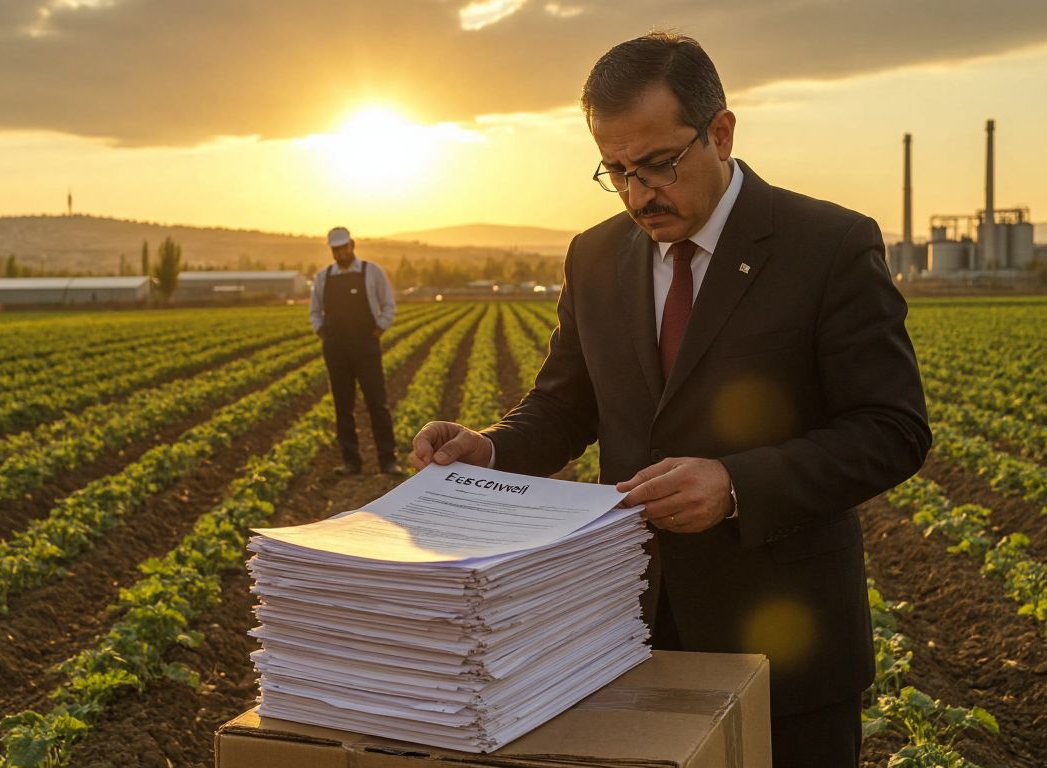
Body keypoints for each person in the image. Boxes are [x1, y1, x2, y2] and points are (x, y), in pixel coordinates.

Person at [410, 32, 929, 767]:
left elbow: (893, 428)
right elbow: (565, 404)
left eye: (658, 165)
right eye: (615, 171)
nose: (637, 195)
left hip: (786, 642)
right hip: (626, 628)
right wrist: (488, 448)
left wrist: (738, 484)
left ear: (720, 133)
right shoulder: (594, 256)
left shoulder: (828, 245)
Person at [310, 226, 400, 475]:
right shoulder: (323, 277)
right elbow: (315, 311)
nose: (340, 253)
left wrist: (379, 329)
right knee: (343, 405)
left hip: (365, 346)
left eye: (343, 248)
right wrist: (322, 333)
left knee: (377, 403)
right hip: (336, 348)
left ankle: (388, 460)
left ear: (353, 245)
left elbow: (388, 305)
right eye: (335, 249)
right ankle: (351, 461)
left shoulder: (372, 272)